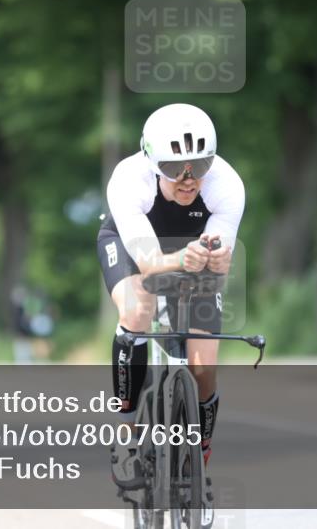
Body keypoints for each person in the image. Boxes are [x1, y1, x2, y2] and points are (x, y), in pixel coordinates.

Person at [97, 103, 244, 489]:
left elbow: (220, 260)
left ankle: (201, 448)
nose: (188, 178)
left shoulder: (226, 184)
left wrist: (214, 257)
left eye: (200, 164)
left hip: (192, 251)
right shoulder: (130, 179)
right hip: (134, 246)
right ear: (151, 163)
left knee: (203, 364)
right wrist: (181, 257)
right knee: (138, 309)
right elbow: (147, 263)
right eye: (173, 168)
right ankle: (127, 435)